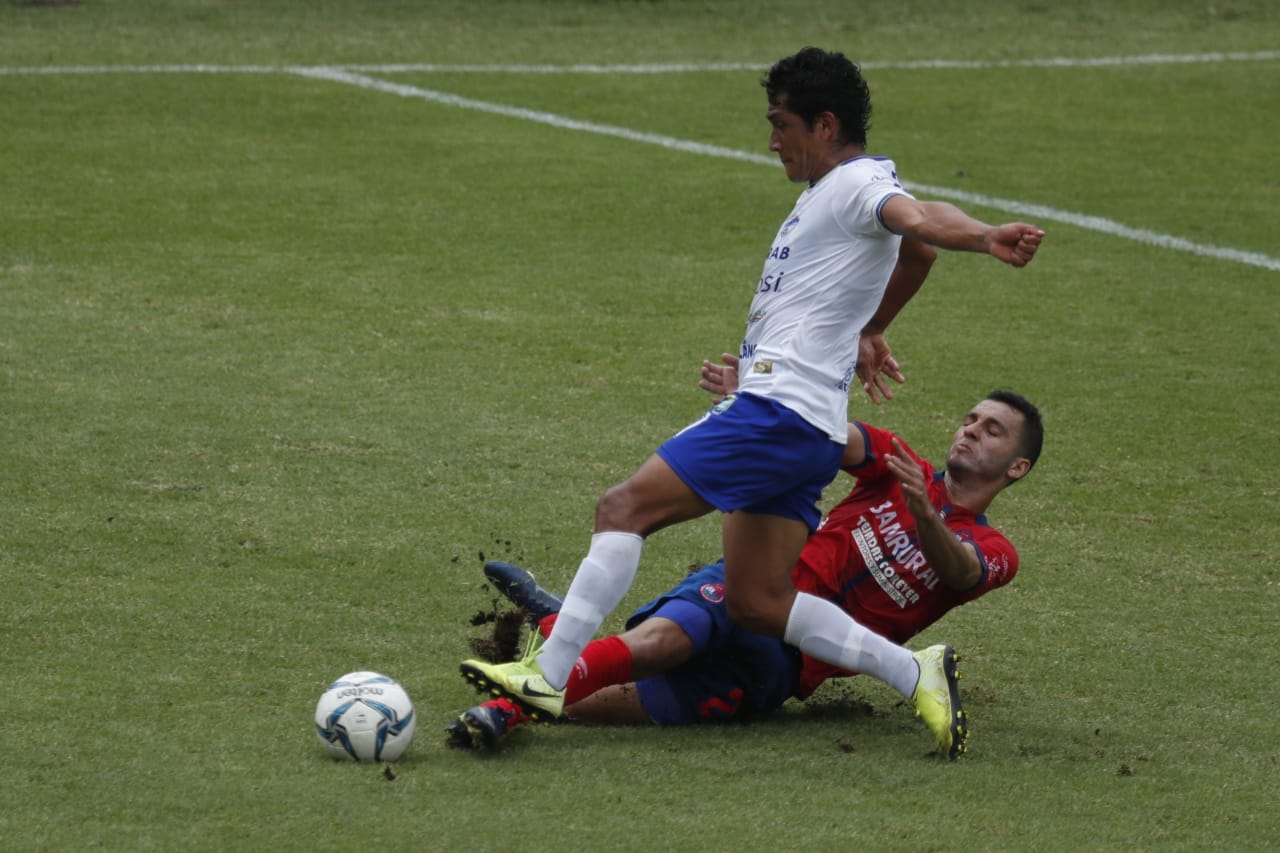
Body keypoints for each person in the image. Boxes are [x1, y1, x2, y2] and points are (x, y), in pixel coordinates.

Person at [458, 46, 1044, 737]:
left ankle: (548, 673)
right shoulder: (840, 195)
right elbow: (915, 252)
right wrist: (874, 325)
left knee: (622, 507)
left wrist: (983, 236)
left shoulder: (856, 186)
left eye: (781, 125)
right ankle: (913, 672)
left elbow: (921, 224)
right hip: (812, 430)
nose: (772, 142)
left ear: (825, 126)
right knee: (760, 600)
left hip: (777, 413)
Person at [453, 387, 1044, 759]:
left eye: (991, 429)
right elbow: (827, 435)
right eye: (971, 418)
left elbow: (961, 572)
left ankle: (556, 623)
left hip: (784, 666)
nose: (969, 429)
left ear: (1016, 467)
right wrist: (766, 404)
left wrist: (924, 517)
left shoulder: (995, 549)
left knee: (585, 706)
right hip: (757, 582)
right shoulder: (900, 464)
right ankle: (501, 711)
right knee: (659, 642)